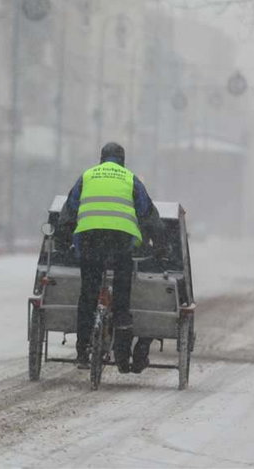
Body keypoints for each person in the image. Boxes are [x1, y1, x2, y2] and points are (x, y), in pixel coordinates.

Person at [57, 142, 162, 374]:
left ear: (101, 159)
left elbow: (69, 211)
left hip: (90, 241)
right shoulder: (130, 179)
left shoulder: (87, 177)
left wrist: (62, 240)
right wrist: (159, 241)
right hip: (119, 243)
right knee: (122, 294)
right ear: (122, 160)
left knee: (88, 294)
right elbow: (147, 213)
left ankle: (83, 350)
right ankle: (122, 352)